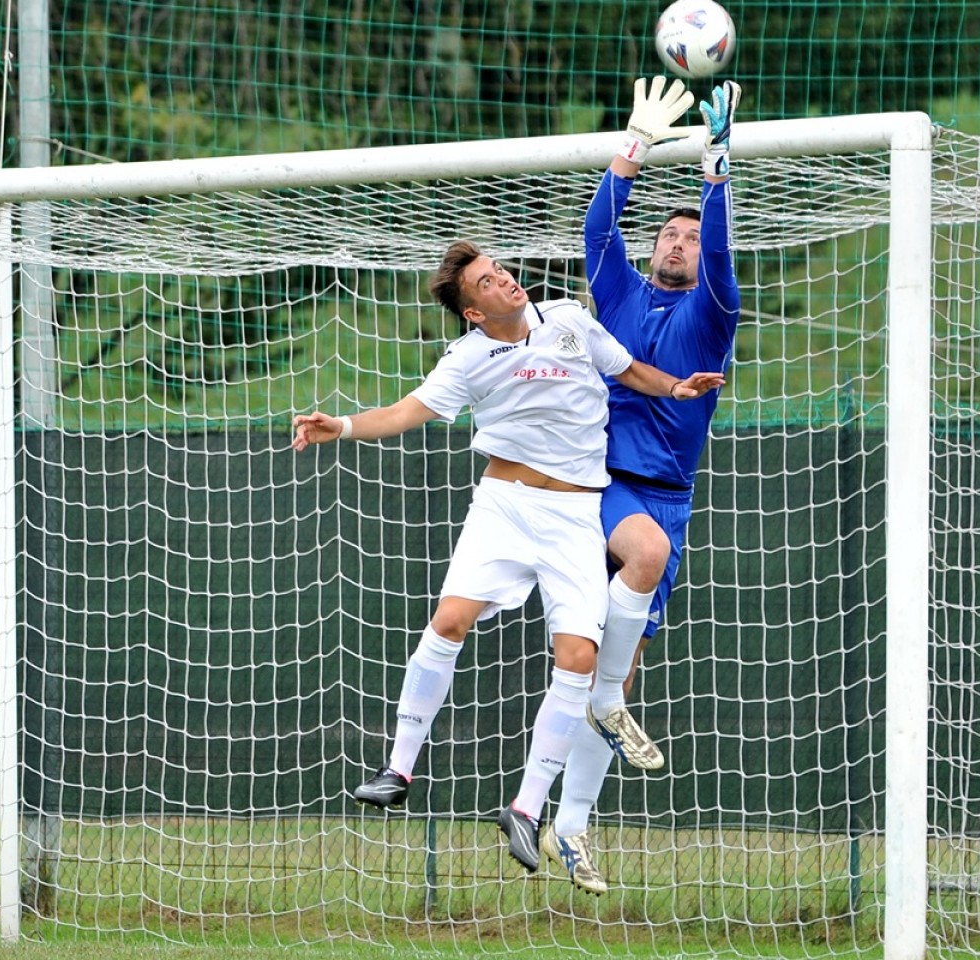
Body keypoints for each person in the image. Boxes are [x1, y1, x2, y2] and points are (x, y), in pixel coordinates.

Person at [292, 240, 725, 874]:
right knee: (449, 620)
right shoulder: (468, 358)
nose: (505, 282)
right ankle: (397, 768)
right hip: (504, 506)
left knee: (578, 659)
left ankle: (525, 809)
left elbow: (628, 368)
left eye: (501, 272)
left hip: (576, 514)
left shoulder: (571, 321)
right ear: (473, 312)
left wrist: (678, 389)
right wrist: (345, 426)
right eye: (488, 283)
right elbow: (409, 410)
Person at [538, 76, 744, 895]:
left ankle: (571, 827)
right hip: (593, 485)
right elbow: (596, 233)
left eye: (691, 236)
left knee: (610, 678)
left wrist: (716, 168)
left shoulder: (710, 313)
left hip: (663, 493)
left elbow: (724, 256)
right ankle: (572, 756)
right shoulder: (617, 292)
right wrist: (631, 153)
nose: (679, 242)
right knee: (633, 586)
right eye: (668, 232)